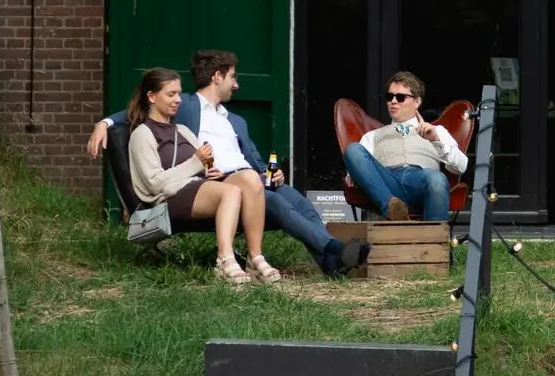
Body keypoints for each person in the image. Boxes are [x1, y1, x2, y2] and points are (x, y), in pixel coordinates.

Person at [88, 49, 369, 279]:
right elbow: (141, 107)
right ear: (217, 76)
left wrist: (272, 174)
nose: (236, 84)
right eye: (232, 77)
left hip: (251, 178)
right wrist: (105, 122)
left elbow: (256, 162)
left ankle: (331, 263)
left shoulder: (236, 121)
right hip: (218, 181)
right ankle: (332, 249)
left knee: (298, 200)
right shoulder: (186, 105)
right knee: (277, 203)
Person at [126, 67, 276, 284]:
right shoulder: (142, 134)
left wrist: (208, 169)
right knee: (231, 192)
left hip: (199, 187)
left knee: (250, 178)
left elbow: (201, 168)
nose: (178, 99)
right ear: (151, 96)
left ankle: (255, 257)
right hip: (167, 199)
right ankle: (224, 260)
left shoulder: (183, 131)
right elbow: (153, 184)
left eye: (179, 93)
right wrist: (195, 163)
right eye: (171, 94)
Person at [344, 71, 468, 221]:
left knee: (436, 178)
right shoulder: (372, 135)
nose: (393, 101)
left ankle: (433, 241)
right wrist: (352, 173)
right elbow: (359, 163)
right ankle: (392, 209)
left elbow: (461, 166)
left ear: (417, 102)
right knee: (352, 149)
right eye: (390, 97)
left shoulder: (437, 131)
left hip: (422, 181)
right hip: (387, 183)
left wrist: (436, 140)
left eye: (400, 97)